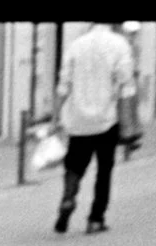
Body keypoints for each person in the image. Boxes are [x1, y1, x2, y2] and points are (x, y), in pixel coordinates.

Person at [53, 21, 138, 233]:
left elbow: (63, 86)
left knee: (74, 165)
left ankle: (68, 198)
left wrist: (55, 119)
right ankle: (95, 218)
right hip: (106, 119)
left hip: (78, 119)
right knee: (104, 169)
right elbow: (127, 87)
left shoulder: (76, 45)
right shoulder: (120, 45)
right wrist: (129, 125)